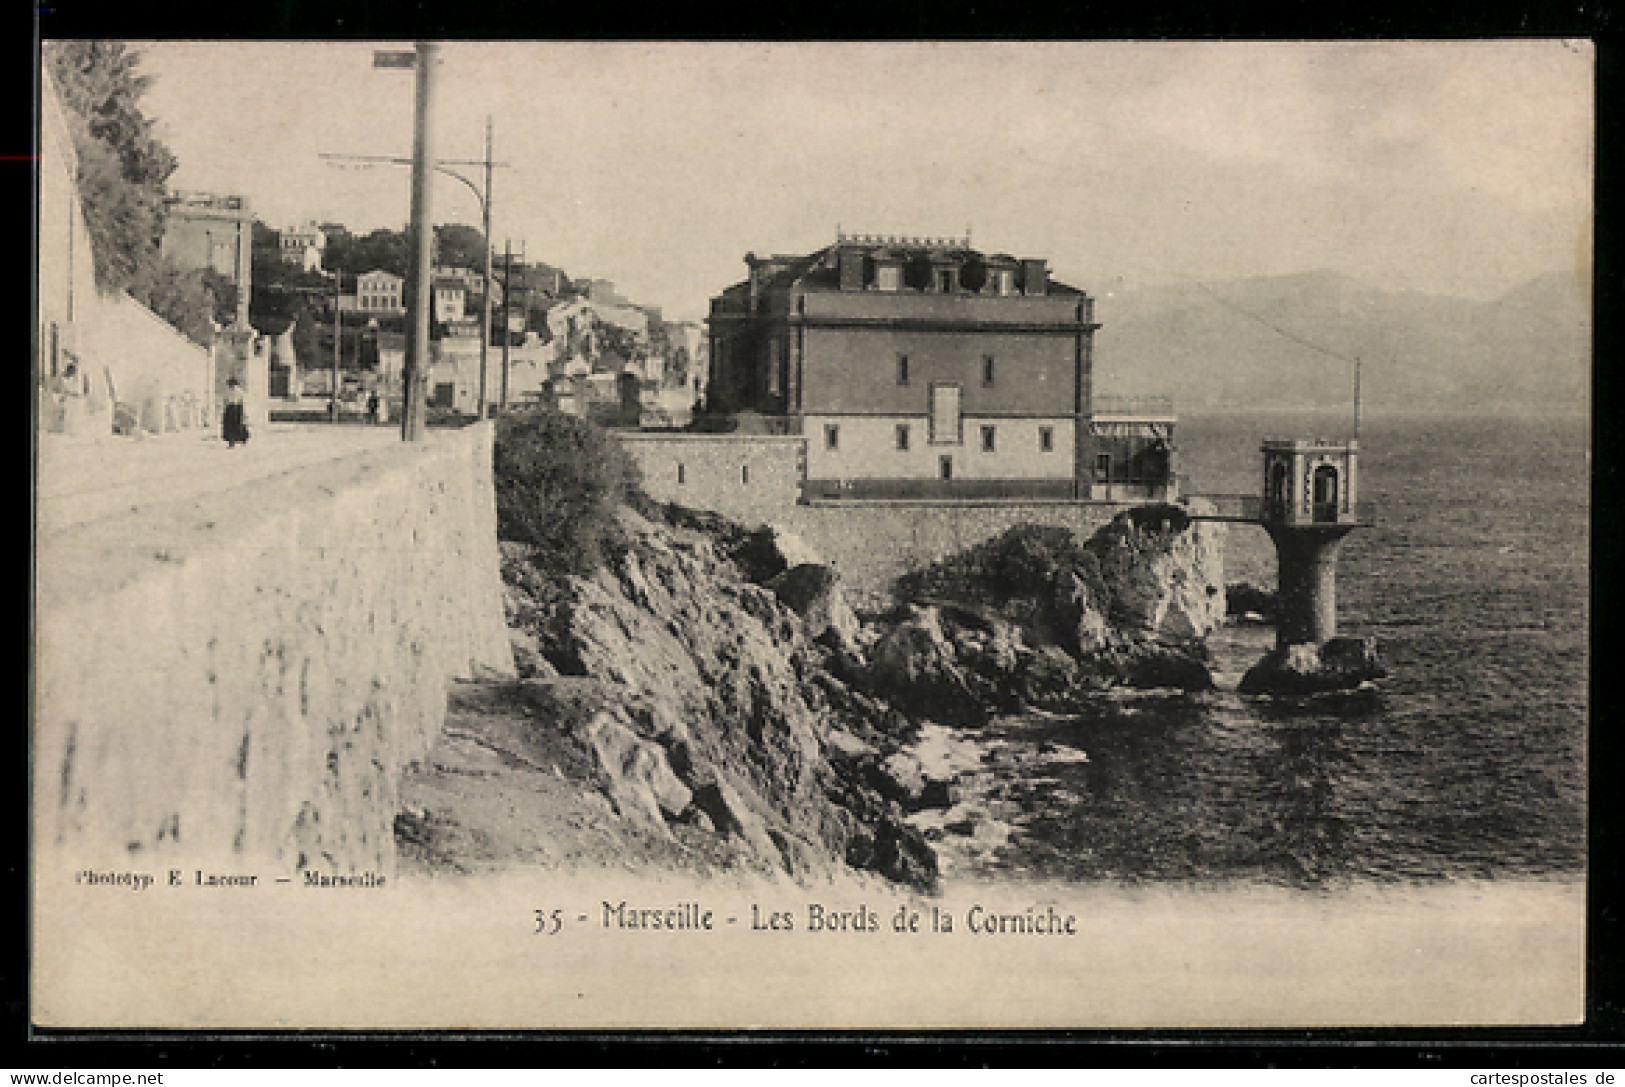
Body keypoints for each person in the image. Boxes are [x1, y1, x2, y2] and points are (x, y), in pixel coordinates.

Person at [222, 378, 250, 447]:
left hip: (237, 408)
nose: (230, 386)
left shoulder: (239, 391)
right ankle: (231, 441)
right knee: (229, 426)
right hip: (230, 408)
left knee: (238, 424)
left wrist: (243, 411)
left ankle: (243, 439)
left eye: (231, 384)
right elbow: (225, 400)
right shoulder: (228, 391)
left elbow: (242, 401)